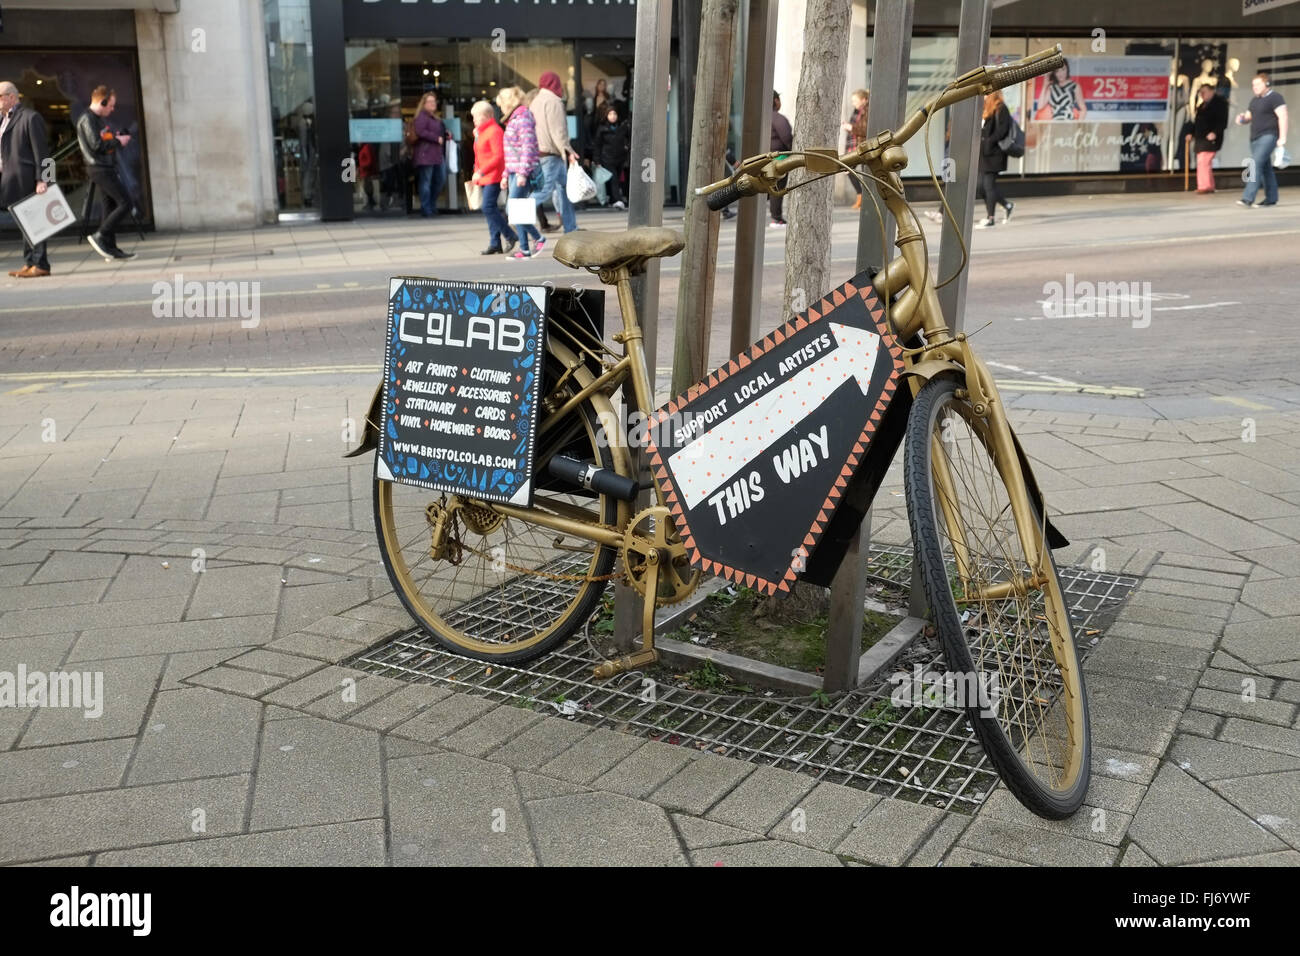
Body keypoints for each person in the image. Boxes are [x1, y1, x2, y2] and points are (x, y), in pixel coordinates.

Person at [76, 85, 135, 260]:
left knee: (109, 208)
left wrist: (114, 138)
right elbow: (96, 145)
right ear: (102, 102)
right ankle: (101, 235)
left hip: (104, 167)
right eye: (110, 105)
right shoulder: (87, 119)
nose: (112, 109)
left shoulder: (96, 119)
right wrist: (118, 141)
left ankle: (110, 248)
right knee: (125, 203)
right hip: (99, 168)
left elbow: (101, 142)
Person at [0, 80, 53, 278]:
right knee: (24, 223)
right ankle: (30, 261)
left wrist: (44, 180)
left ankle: (41, 264)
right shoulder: (2, 120)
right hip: (10, 179)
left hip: (28, 179)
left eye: (0, 96)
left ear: (11, 97)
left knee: (36, 221)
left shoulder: (30, 118)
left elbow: (43, 152)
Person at [498, 86, 544, 259]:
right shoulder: (515, 118)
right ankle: (524, 249)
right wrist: (505, 174)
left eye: (501, 103)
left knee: (513, 210)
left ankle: (538, 237)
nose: (501, 107)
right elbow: (511, 151)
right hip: (514, 172)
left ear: (509, 103)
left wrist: (523, 173)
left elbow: (528, 147)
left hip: (520, 172)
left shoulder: (522, 117)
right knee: (518, 209)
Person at [531, 70, 579, 233]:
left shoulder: (535, 101)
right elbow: (558, 130)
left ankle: (571, 228)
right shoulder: (554, 101)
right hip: (552, 154)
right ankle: (515, 215)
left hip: (541, 152)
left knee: (565, 190)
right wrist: (568, 150)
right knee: (543, 192)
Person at [470, 101, 516, 256]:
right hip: (485, 176)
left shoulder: (494, 131)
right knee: (490, 209)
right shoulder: (480, 132)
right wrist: (476, 172)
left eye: (477, 116)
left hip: (493, 175)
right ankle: (495, 243)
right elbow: (478, 155)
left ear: (488, 115)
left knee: (488, 208)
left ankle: (510, 235)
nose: (474, 119)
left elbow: (498, 156)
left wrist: (481, 171)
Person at [1236, 72, 1288, 208]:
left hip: (1269, 136)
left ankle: (1247, 198)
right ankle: (1271, 198)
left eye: (1258, 84)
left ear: (1267, 84)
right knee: (1265, 168)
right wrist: (1241, 119)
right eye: (1253, 85)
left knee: (1254, 164)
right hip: (1255, 138)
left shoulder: (1275, 97)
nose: (1255, 87)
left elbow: (1283, 116)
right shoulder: (1254, 100)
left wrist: (1282, 138)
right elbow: (1248, 117)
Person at [977, 90, 1014, 228]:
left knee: (988, 186)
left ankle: (990, 218)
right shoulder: (985, 107)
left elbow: (1002, 130)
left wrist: (988, 141)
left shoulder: (1001, 108)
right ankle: (1007, 205)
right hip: (984, 154)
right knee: (980, 187)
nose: (985, 95)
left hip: (995, 153)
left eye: (987, 93)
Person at [413, 91, 451, 217]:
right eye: (430, 102)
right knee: (426, 181)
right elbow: (420, 131)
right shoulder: (421, 117)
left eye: (434, 101)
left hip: (437, 154)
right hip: (426, 154)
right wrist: (436, 138)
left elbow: (439, 131)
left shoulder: (435, 117)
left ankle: (431, 204)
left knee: (440, 179)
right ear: (423, 104)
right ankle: (426, 208)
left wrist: (446, 134)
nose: (433, 104)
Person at [522, 88, 554, 232]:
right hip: (532, 159)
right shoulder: (529, 116)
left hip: (532, 158)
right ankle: (514, 222)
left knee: (534, 190)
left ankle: (542, 223)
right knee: (534, 192)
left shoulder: (529, 115)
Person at [590, 106, 631, 209]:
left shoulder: (622, 127)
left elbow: (630, 138)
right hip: (607, 158)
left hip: (620, 158)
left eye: (614, 114)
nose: (613, 116)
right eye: (610, 114)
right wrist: (597, 160)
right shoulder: (602, 129)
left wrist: (627, 147)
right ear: (606, 116)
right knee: (614, 179)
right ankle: (618, 200)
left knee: (617, 179)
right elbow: (597, 145)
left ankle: (613, 199)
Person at [1190, 85, 1227, 194]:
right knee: (1203, 161)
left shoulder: (1219, 104)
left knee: (1203, 161)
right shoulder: (1202, 106)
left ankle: (1204, 186)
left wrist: (1215, 132)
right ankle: (1209, 185)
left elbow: (1222, 121)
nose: (1202, 94)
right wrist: (1191, 133)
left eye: (1204, 92)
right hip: (1200, 137)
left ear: (1212, 91)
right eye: (1200, 92)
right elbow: (1196, 123)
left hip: (1210, 137)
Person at [840, 89, 869, 209]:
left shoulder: (867, 111)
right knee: (847, 169)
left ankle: (864, 199)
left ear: (864, 100)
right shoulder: (857, 111)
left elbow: (866, 129)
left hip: (862, 147)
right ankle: (861, 196)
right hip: (854, 146)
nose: (853, 103)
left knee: (865, 172)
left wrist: (850, 127)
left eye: (855, 101)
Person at [769, 91, 793, 226]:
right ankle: (776, 218)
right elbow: (787, 138)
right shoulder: (778, 119)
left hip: (762, 158)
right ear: (776, 101)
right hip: (779, 158)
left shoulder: (760, 118)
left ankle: (776, 217)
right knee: (777, 188)